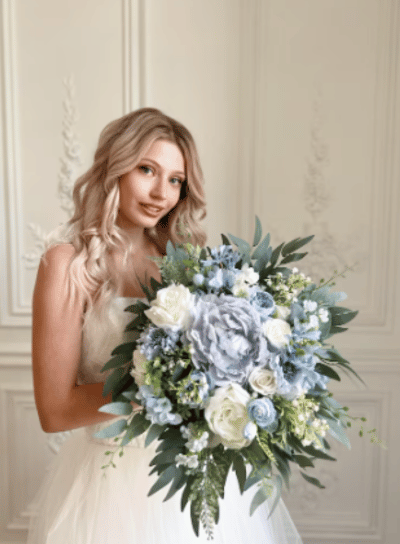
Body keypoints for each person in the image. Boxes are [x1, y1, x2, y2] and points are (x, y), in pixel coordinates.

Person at [28, 107, 303, 543]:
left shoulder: (193, 263)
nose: (161, 192)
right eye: (147, 169)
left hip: (195, 477)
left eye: (175, 180)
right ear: (113, 169)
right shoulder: (67, 264)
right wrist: (159, 391)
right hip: (108, 485)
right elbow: (54, 410)